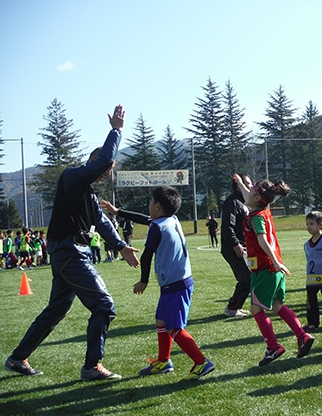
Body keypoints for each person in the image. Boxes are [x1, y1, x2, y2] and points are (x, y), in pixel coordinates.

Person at [4, 105, 140, 381]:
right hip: (69, 252)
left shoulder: (87, 194)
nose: (105, 174)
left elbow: (101, 222)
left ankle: (17, 358)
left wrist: (120, 246)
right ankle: (92, 365)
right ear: (94, 162)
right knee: (104, 305)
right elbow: (102, 162)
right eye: (105, 169)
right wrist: (116, 131)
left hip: (68, 253)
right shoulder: (72, 177)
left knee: (56, 309)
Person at [101, 187, 215, 380]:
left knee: (174, 327)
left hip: (175, 284)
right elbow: (143, 218)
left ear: (158, 206)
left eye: (151, 202)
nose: (149, 206)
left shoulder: (158, 227)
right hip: (177, 281)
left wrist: (143, 281)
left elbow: (146, 256)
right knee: (161, 321)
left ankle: (201, 362)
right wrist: (118, 212)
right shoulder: (171, 219)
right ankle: (164, 361)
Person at [233, 174, 314, 366]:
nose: (248, 191)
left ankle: (273, 346)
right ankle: (302, 336)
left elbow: (263, 240)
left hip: (266, 268)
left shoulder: (255, 217)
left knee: (255, 309)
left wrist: (275, 262)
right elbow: (249, 196)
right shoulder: (264, 210)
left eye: (251, 189)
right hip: (274, 269)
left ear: (256, 198)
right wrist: (240, 183)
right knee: (277, 306)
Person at [220, 174, 252, 317]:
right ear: (238, 184)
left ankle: (235, 306)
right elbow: (227, 226)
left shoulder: (244, 202)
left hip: (243, 246)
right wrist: (235, 244)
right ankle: (232, 308)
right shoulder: (232, 202)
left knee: (248, 277)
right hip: (233, 248)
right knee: (247, 278)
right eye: (248, 183)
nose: (250, 186)